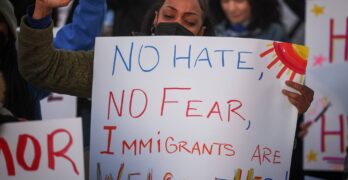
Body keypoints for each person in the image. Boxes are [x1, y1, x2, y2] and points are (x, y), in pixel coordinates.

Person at [18, 0, 312, 119]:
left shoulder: (231, 81)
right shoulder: (114, 68)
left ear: (203, 32)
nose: (176, 24)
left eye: (189, 20)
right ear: (155, 19)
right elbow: (41, 68)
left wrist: (292, 110)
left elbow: (263, 124)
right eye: (169, 16)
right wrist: (41, 11)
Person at [210, 0, 287, 42]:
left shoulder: (274, 32)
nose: (232, 8)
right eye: (225, 1)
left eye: (239, 1)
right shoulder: (214, 33)